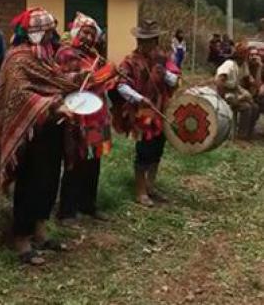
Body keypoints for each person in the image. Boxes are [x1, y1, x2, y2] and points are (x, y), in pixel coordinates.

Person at [0, 7, 81, 266]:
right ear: (35, 33)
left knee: (49, 181)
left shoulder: (44, 57)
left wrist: (82, 79)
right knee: (30, 183)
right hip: (28, 134)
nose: (52, 36)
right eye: (48, 32)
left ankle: (40, 231)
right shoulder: (18, 58)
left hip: (51, 131)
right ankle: (21, 238)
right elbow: (20, 95)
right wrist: (52, 105)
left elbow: (55, 79)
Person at [112, 19, 180, 207]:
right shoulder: (129, 61)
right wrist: (138, 98)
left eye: (149, 40)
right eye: (142, 40)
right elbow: (121, 85)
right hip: (142, 113)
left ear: (156, 41)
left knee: (157, 150)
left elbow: (174, 81)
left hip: (161, 110)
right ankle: (140, 191)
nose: (145, 44)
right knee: (144, 151)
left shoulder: (163, 59)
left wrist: (164, 72)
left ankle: (151, 185)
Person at [56, 13, 114, 225]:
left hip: (97, 117)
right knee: (75, 162)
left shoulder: (94, 56)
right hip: (77, 117)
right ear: (75, 33)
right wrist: (90, 75)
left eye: (92, 33)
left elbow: (101, 81)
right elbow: (64, 80)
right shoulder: (65, 53)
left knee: (94, 161)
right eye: (84, 32)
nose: (88, 37)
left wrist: (109, 74)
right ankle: (67, 211)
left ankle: (88, 204)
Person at [215, 42, 259, 139]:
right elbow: (219, 81)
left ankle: (248, 133)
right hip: (226, 93)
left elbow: (249, 80)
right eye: (245, 53)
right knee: (246, 107)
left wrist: (258, 68)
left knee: (255, 107)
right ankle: (241, 136)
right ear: (240, 54)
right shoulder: (229, 64)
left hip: (235, 91)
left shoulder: (243, 65)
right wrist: (222, 99)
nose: (247, 56)